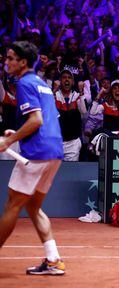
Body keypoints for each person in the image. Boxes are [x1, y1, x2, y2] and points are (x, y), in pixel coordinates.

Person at [0, 41, 65, 275]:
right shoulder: (41, 83)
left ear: (23, 62)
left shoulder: (24, 83)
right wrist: (16, 136)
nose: (6, 62)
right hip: (54, 150)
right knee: (34, 206)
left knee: (12, 205)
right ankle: (53, 260)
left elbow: (36, 120)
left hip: (37, 153)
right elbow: (42, 119)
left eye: (10, 58)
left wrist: (8, 141)